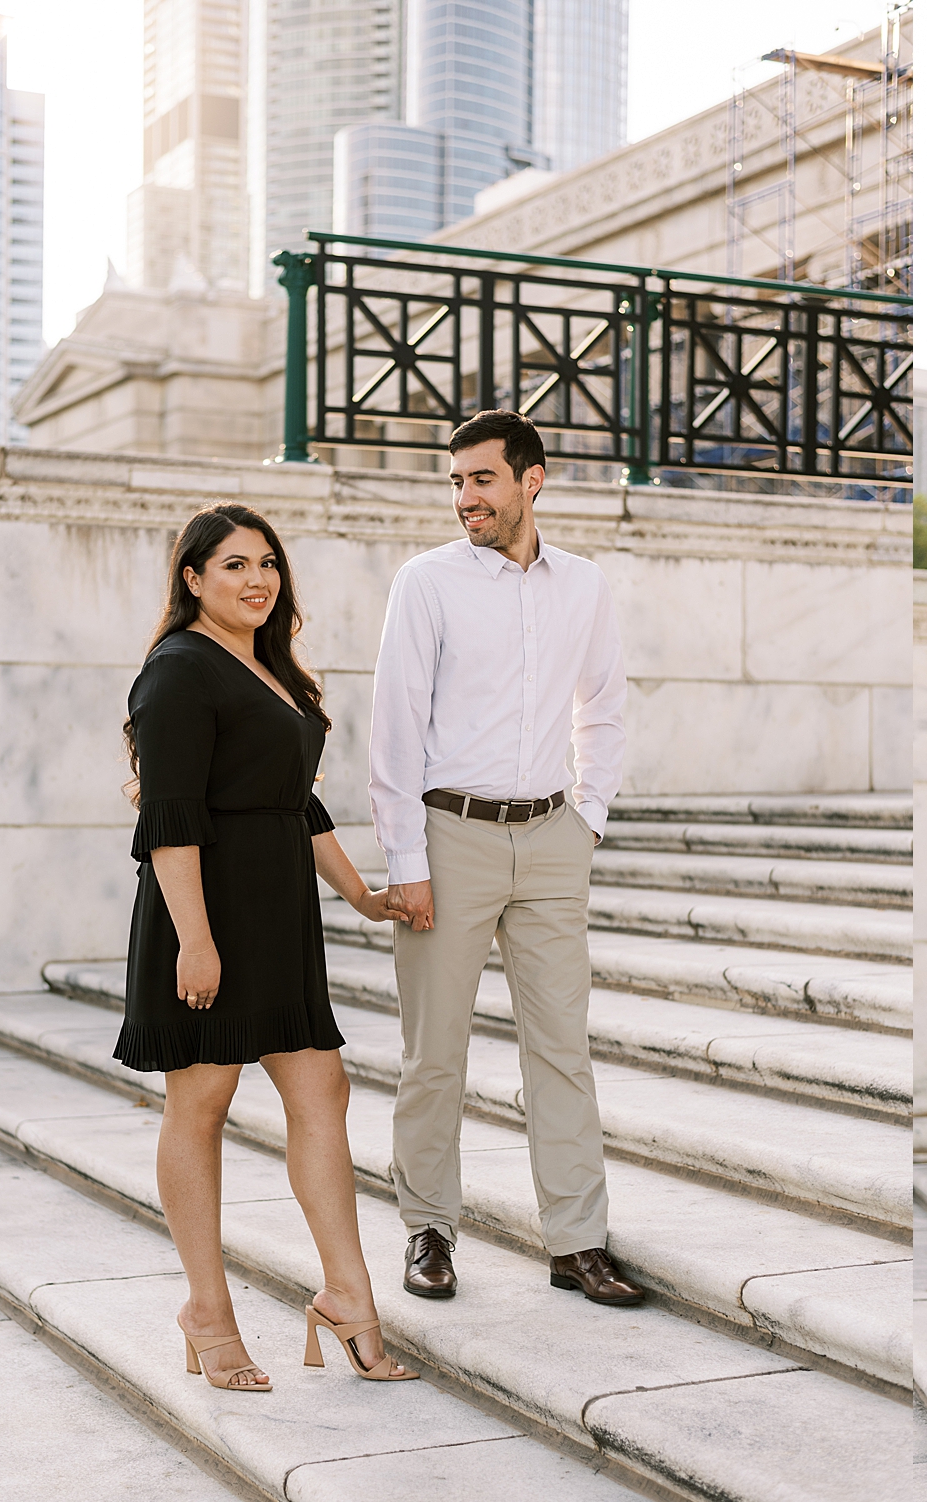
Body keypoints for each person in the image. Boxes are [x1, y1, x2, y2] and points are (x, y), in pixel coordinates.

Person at [115, 503, 416, 1392]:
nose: (257, 580)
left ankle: (348, 1298)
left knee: (323, 1087)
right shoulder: (176, 673)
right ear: (193, 579)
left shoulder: (273, 668)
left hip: (279, 911)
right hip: (206, 911)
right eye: (235, 565)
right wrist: (196, 940)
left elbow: (296, 801)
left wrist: (358, 892)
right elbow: (171, 819)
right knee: (201, 1104)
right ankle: (207, 1312)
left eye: (269, 564)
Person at [368, 409, 640, 1305]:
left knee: (561, 1048)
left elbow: (602, 703)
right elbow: (396, 726)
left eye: (481, 479)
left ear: (533, 479)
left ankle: (577, 1241)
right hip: (449, 839)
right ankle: (429, 1233)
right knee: (434, 1051)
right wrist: (404, 856)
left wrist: (587, 815)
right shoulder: (428, 583)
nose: (465, 498)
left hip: (551, 838)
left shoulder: (585, 586)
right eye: (456, 481)